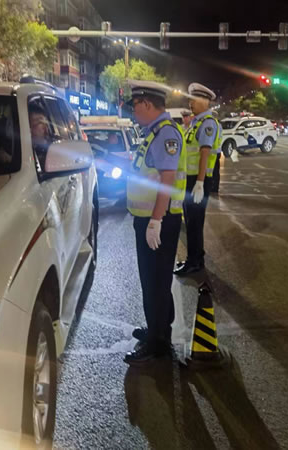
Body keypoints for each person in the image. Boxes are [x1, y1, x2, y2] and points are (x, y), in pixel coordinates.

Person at [124, 80, 187, 366]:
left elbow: (167, 179)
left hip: (159, 219)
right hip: (151, 217)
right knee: (155, 280)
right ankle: (157, 329)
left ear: (147, 104)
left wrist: (155, 221)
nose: (134, 111)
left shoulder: (165, 133)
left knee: (155, 281)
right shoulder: (155, 132)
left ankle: (158, 344)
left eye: (135, 106)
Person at [174, 83, 221, 277]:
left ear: (204, 101)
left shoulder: (208, 123)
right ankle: (196, 257)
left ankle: (194, 262)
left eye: (193, 100)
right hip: (191, 180)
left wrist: (200, 183)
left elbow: (204, 154)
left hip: (197, 181)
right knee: (192, 221)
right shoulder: (196, 123)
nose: (190, 103)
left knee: (194, 223)